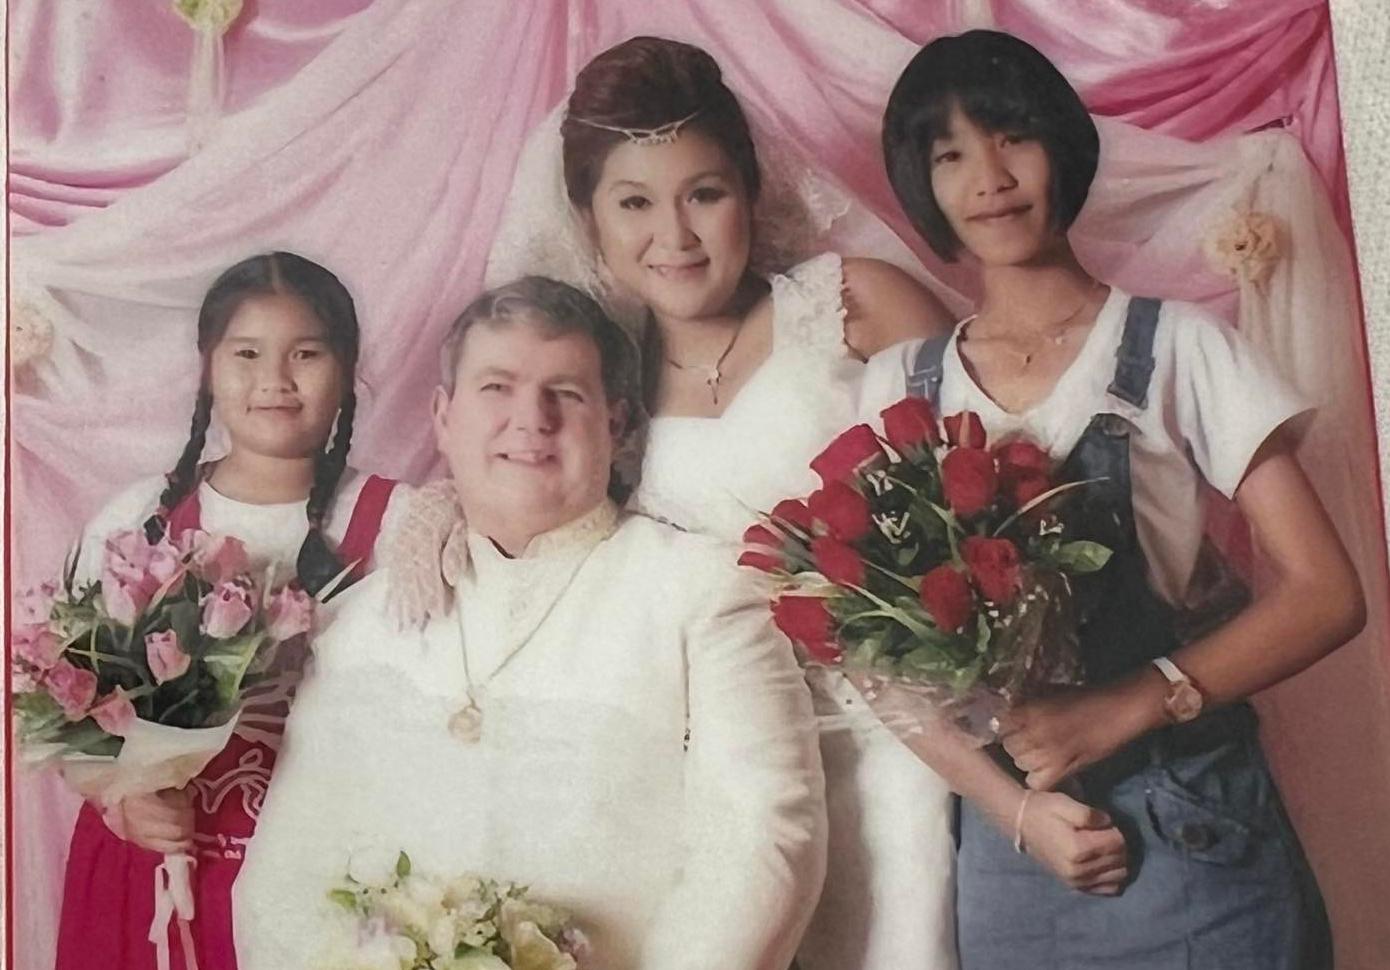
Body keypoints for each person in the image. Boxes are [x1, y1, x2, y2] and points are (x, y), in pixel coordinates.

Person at [388, 36, 997, 970]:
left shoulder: (855, 305)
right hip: (715, 765)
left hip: (900, 745)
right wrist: (433, 510)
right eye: (634, 203)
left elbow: (993, 489)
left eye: (703, 194)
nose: (674, 236)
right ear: (588, 221)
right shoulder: (601, 384)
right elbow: (542, 506)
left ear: (752, 190)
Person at [859, 29, 1364, 969]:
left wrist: (1131, 702)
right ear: (922, 184)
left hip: (1189, 821)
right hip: (1016, 855)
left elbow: (1327, 593)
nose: (989, 177)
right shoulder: (901, 386)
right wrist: (1013, 810)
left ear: (1061, 143)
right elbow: (875, 656)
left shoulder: (1181, 347)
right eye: (950, 154)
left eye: (1012, 136)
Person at [234, 277, 827, 970]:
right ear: (443, 417)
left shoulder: (702, 592)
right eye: (497, 387)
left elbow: (763, 842)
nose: (531, 419)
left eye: (565, 394)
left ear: (616, 426)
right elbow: (287, 867)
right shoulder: (360, 620)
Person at [55, 252, 406, 970]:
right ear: (207, 366)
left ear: (348, 369)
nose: (275, 379)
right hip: (147, 870)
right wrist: (120, 797)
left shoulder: (401, 524)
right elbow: (64, 700)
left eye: (306, 354)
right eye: (246, 353)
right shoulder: (138, 520)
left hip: (323, 885)